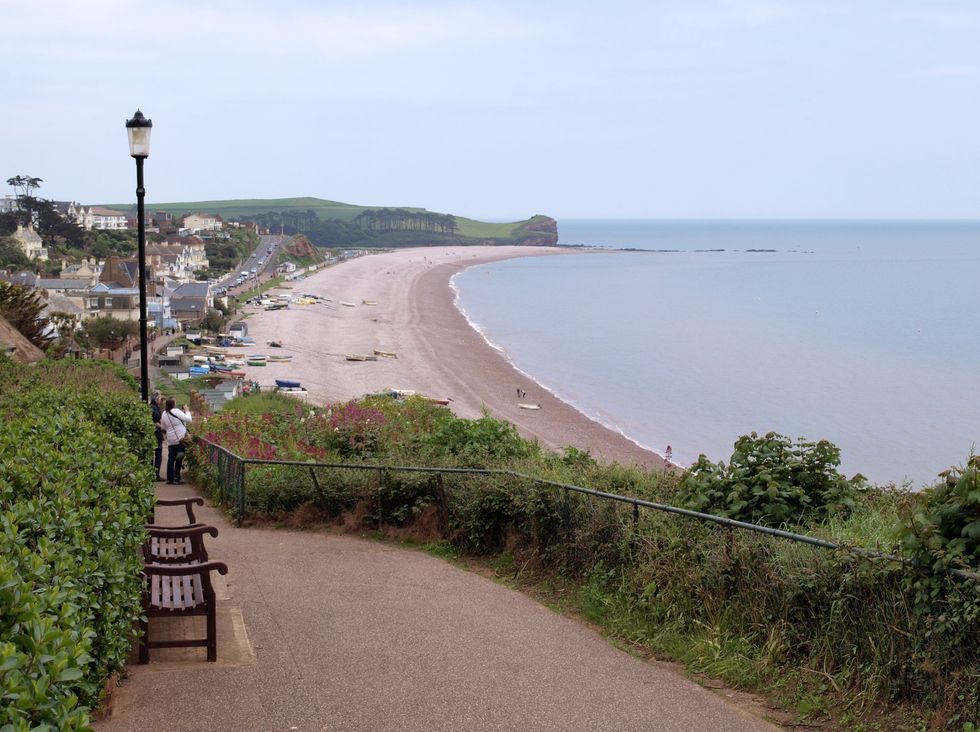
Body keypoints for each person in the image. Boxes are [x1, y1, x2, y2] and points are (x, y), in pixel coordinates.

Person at [159, 397, 192, 485]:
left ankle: (170, 478)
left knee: (171, 458)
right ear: (173, 404)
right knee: (179, 457)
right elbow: (189, 419)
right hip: (180, 439)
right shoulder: (176, 411)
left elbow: (163, 427)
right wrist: (187, 411)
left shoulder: (164, 414)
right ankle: (177, 478)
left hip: (170, 439)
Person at [150, 391, 164, 481]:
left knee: (153, 453)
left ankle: (152, 473)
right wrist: (161, 426)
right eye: (160, 398)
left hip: (154, 433)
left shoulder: (153, 407)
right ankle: (156, 474)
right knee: (158, 453)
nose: (160, 400)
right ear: (156, 399)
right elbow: (153, 422)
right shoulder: (154, 408)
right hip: (155, 433)